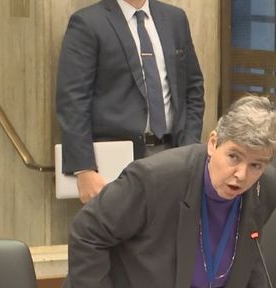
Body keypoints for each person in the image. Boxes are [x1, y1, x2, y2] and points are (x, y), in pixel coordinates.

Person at [56, 95, 276, 288]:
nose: (241, 174)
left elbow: (249, 246)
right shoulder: (155, 179)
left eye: (255, 165)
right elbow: (87, 232)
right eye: (233, 157)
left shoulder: (264, 187)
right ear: (213, 143)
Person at [56, 0, 205, 203]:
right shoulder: (88, 23)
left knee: (171, 232)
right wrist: (84, 169)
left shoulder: (175, 19)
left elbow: (193, 87)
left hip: (173, 154)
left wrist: (190, 147)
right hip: (116, 162)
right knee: (122, 233)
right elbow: (73, 100)